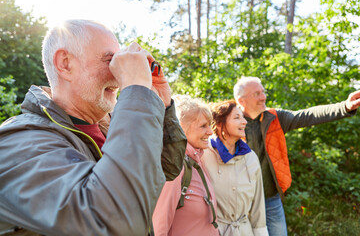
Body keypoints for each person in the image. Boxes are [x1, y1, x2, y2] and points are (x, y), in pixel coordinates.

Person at [0, 19, 187, 235]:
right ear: (65, 64)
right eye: (111, 61)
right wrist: (136, 90)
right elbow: (110, 220)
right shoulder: (20, 143)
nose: (119, 76)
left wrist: (159, 103)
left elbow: (167, 168)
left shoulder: (110, 126)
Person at [233, 76, 360, 236]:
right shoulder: (229, 122)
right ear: (241, 100)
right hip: (240, 203)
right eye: (257, 93)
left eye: (263, 92)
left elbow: (308, 115)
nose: (263, 97)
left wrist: (345, 107)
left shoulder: (275, 118)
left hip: (271, 199)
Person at [152, 95, 220, 236]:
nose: (210, 132)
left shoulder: (197, 160)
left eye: (209, 125)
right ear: (181, 128)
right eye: (203, 126)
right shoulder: (175, 167)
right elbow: (159, 225)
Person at [201, 100, 268, 236]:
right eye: (237, 117)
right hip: (212, 231)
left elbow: (258, 206)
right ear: (219, 124)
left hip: (244, 232)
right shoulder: (203, 154)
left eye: (243, 117)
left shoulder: (251, 157)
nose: (244, 122)